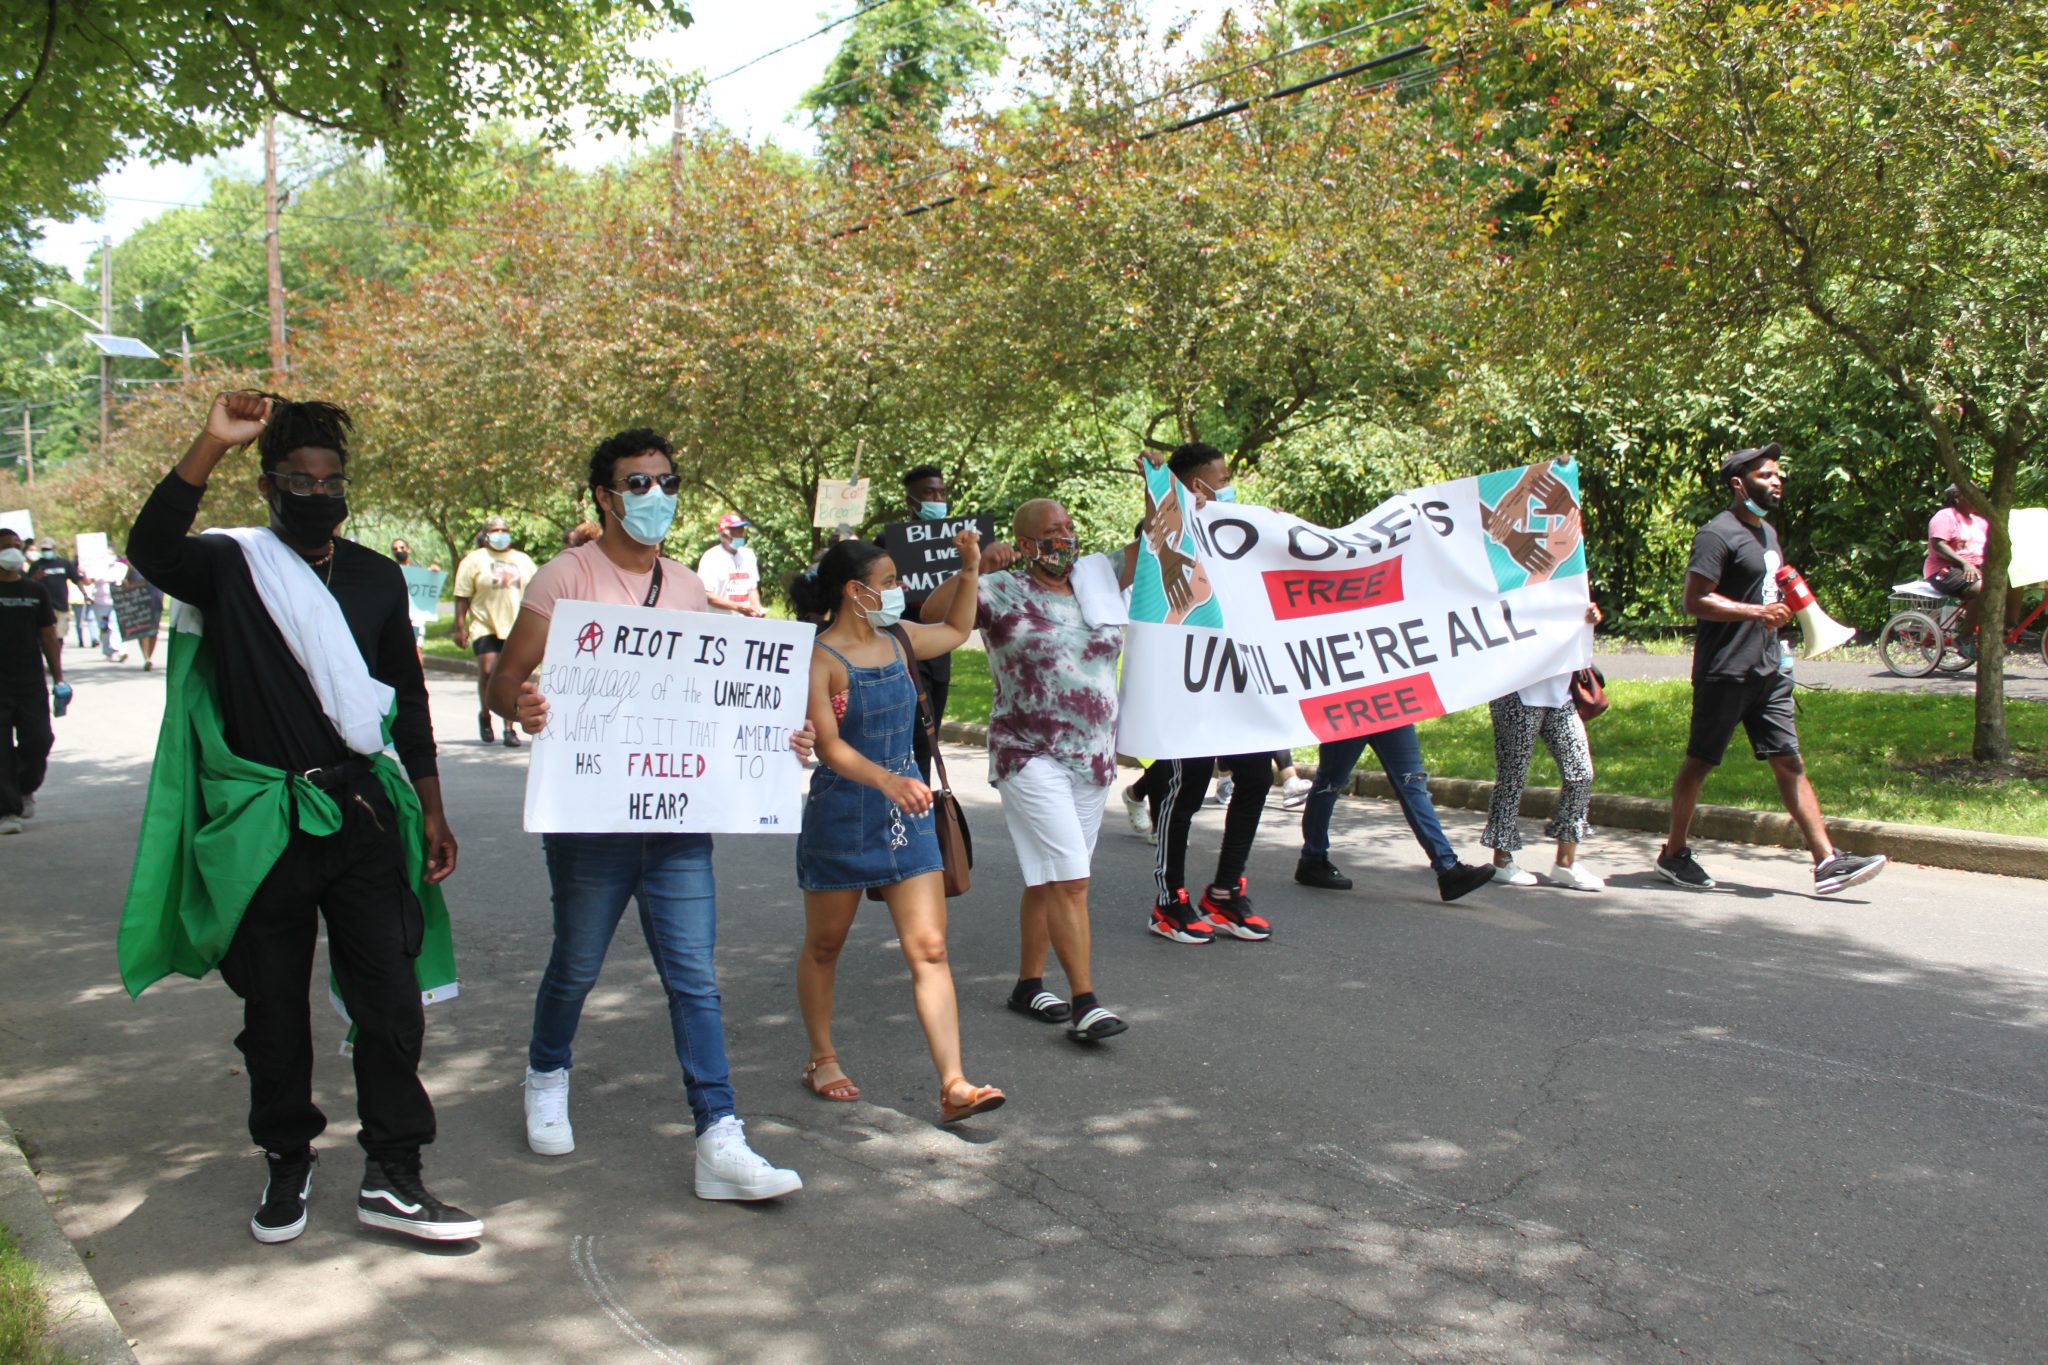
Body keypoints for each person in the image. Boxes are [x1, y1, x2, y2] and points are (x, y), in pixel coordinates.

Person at [119, 389, 476, 1245]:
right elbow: (150, 548)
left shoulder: (375, 576)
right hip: (265, 823)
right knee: (273, 1011)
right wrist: (211, 441)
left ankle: (395, 1171)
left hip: (361, 812)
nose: (318, 494)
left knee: (392, 1000)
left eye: (332, 479)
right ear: (270, 487)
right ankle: (288, 1156)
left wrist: (431, 805)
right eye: (298, 479)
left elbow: (410, 699)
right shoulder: (229, 565)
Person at [488, 427, 808, 1200]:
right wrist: (521, 704)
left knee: (695, 976)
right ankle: (546, 1071)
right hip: (590, 818)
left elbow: (704, 699)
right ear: (604, 494)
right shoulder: (564, 578)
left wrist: (776, 735)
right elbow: (506, 681)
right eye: (637, 484)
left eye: (666, 481)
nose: (655, 496)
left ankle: (719, 1135)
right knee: (577, 963)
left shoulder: (691, 585)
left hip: (674, 823)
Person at [791, 536, 1009, 1122]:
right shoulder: (820, 658)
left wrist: (969, 569)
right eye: (888, 581)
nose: (899, 590)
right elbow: (829, 747)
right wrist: (888, 781)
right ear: (853, 591)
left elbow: (959, 630)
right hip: (843, 817)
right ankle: (822, 1057)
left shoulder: (901, 639)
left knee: (931, 949)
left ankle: (955, 1083)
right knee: (825, 945)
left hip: (905, 817)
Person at [921, 499, 1131, 1043]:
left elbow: (1155, 553)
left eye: (1069, 527)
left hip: (1092, 757)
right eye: (1050, 531)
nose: (1064, 538)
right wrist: (974, 568)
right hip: (1028, 752)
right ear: (1025, 541)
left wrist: (1178, 501)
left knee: (1051, 876)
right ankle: (1086, 1000)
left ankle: (1027, 985)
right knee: (1072, 879)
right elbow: (931, 614)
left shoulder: (1096, 585)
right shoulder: (1002, 589)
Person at [1657, 443, 1887, 895]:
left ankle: (1827, 861)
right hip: (1726, 670)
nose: (1776, 481)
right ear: (1738, 484)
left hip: (1769, 669)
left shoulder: (1767, 533)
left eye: (1778, 474)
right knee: (1699, 763)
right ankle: (1674, 853)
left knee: (1790, 761)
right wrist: (1754, 613)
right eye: (1765, 475)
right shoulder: (1715, 534)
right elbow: (1694, 600)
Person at [1138, 443, 1279, 945]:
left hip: (1238, 680)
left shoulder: (1243, 528)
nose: (1228, 484)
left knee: (1257, 775)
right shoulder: (1164, 534)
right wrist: (1156, 498)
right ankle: (1169, 899)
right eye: (1221, 477)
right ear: (1197, 485)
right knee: (1187, 785)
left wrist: (1281, 535)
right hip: (1186, 683)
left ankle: (1223, 893)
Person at [1479, 604, 1606, 891]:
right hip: (1517, 692)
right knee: (1512, 777)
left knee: (1581, 773)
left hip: (1560, 693)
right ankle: (1502, 860)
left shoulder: (1566, 579)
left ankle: (1565, 863)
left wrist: (1591, 619)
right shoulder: (1512, 578)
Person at [1293, 726, 1497, 901]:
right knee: (1330, 785)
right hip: (1349, 704)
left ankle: (1448, 867)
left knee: (1413, 783)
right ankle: (1313, 859)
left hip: (1390, 705)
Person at [452, 515, 536, 748]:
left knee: (515, 677)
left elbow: (537, 592)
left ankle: (509, 728)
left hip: (517, 626)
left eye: (505, 530)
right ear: (486, 534)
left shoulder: (523, 560)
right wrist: (460, 626)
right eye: (496, 530)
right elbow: (462, 596)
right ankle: (485, 714)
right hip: (485, 624)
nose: (501, 534)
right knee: (489, 672)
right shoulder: (474, 560)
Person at [0, 533, 63, 836]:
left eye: (16, 547)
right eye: (5, 547)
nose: (13, 552)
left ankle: (24, 787)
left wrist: (60, 679)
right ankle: (7, 809)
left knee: (39, 740)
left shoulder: (35, 591)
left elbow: (48, 635)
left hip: (30, 682)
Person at [899, 465, 956, 782]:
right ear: (911, 501)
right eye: (929, 493)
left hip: (940, 653)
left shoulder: (957, 544)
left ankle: (919, 807)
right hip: (905, 651)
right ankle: (912, 813)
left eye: (941, 493)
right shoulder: (888, 543)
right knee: (916, 737)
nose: (937, 499)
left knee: (930, 738)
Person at [1924, 484, 1995, 643]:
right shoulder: (1945, 516)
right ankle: (1965, 638)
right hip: (1944, 570)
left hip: (1974, 570)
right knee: (1981, 589)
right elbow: (1938, 544)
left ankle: (2009, 626)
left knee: (2009, 584)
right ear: (1957, 498)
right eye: (1972, 494)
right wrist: (1965, 564)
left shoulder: (1980, 522)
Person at [697, 513, 765, 616]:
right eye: (736, 532)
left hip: (745, 622)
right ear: (724, 535)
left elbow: (752, 588)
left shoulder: (748, 555)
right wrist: (737, 607)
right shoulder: (711, 557)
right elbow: (707, 595)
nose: (740, 535)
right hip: (719, 622)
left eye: (741, 531)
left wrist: (757, 608)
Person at [87, 569, 126, 662]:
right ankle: (107, 650)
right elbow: (88, 581)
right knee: (104, 627)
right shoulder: (96, 568)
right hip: (100, 603)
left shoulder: (118, 568)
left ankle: (117, 648)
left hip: (114, 602)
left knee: (114, 625)